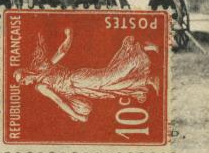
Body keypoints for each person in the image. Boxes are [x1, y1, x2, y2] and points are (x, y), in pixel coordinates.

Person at [14, 28, 159, 123]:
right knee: (110, 87)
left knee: (109, 77)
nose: (24, 84)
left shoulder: (41, 81)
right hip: (79, 89)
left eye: (22, 81)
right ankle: (146, 81)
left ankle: (140, 50)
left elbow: (59, 100)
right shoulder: (40, 80)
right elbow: (62, 100)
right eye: (22, 84)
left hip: (77, 78)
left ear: (26, 74)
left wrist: (69, 36)